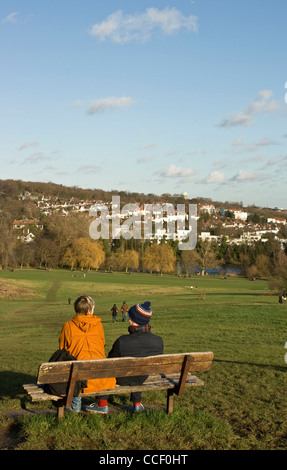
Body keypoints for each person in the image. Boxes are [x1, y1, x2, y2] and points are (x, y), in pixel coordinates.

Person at [59, 295, 116, 413]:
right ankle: (100, 404)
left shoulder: (68, 326)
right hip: (100, 374)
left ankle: (75, 405)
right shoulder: (98, 325)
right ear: (90, 310)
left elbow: (63, 348)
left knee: (74, 368)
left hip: (79, 375)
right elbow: (103, 343)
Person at [108, 301, 163, 412]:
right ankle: (137, 403)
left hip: (122, 378)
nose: (128, 319)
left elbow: (110, 361)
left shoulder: (122, 341)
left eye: (130, 317)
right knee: (139, 369)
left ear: (134, 320)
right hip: (144, 376)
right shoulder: (158, 341)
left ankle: (102, 402)